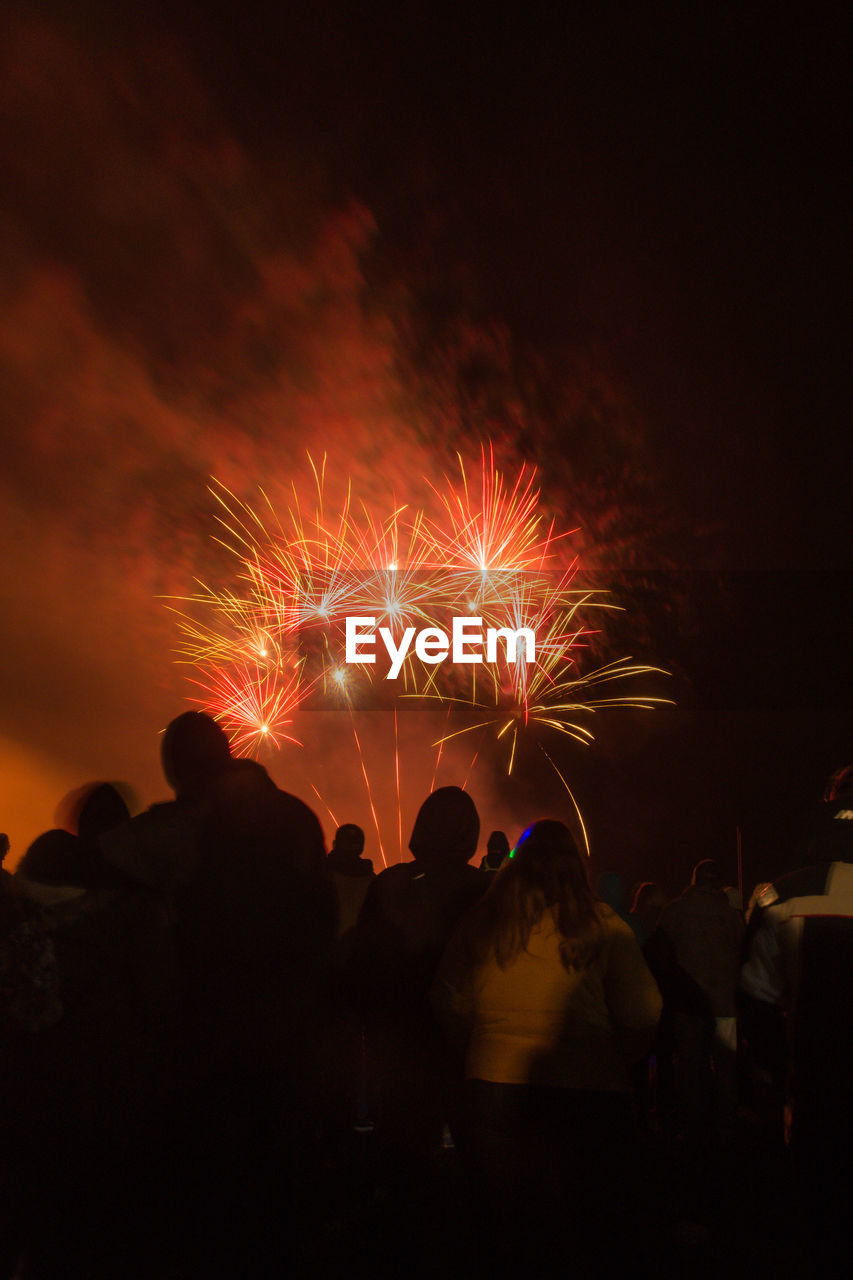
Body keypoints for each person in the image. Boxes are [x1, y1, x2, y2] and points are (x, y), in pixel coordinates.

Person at [431, 819, 662, 1265]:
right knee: (582, 1226)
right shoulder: (605, 925)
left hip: (494, 1087)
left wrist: (477, 1049)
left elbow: (447, 996)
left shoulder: (481, 922)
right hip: (588, 1091)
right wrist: (619, 1059)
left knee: (507, 1225)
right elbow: (644, 1010)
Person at [740, 765, 853, 1274]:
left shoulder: (777, 898)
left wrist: (771, 1085)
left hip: (814, 1090)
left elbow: (758, 1001)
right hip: (811, 1090)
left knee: (818, 1218)